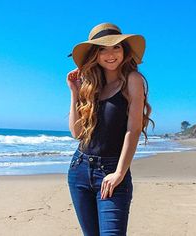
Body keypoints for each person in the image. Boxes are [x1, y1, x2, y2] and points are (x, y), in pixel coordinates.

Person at [66, 22, 154, 236]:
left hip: (112, 170)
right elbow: (77, 133)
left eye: (116, 47)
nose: (110, 54)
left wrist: (119, 173)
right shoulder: (91, 86)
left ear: (124, 50)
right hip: (79, 169)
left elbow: (132, 130)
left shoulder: (133, 80)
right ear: (95, 55)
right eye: (103, 49)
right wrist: (75, 92)